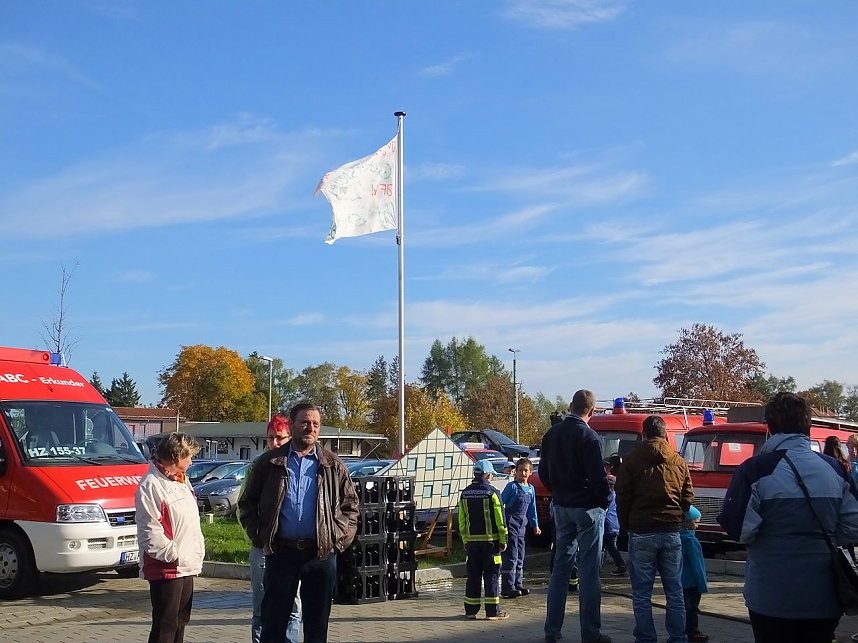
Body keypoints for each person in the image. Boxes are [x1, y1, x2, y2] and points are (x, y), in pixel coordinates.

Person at [718, 392, 858, 643]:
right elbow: (853, 525)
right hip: (824, 593)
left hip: (771, 592)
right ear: (808, 426)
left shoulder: (754, 470)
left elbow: (739, 530)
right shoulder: (835, 469)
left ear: (769, 427)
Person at [237, 402, 359, 643]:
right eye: (304, 422)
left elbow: (351, 507)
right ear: (292, 425)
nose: (310, 428)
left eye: (315, 424)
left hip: (320, 556)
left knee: (316, 628)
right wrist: (260, 536)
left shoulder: (333, 465)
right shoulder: (268, 463)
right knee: (273, 625)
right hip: (281, 554)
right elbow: (247, 504)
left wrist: (337, 539)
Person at [540, 389, 611, 643]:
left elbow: (544, 473)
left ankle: (551, 630)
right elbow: (597, 478)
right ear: (591, 411)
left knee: (560, 569)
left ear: (570, 406)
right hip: (587, 508)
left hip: (562, 507)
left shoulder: (552, 434)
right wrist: (606, 499)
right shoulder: (589, 437)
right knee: (590, 572)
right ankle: (590, 633)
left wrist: (559, 491)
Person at [615, 414, 693, 643]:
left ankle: (646, 638)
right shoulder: (678, 461)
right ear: (664, 433)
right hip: (671, 530)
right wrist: (678, 514)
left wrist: (626, 524)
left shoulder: (631, 460)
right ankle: (678, 637)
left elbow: (622, 496)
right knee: (674, 591)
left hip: (641, 530)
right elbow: (688, 495)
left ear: (644, 433)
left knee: (641, 592)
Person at [135, 432, 205, 643]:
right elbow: (149, 530)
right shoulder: (151, 485)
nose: (192, 461)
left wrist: (194, 551)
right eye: (189, 456)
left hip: (186, 564)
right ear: (176, 456)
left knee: (181, 620)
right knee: (165, 625)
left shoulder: (182, 481)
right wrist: (173, 555)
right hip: (167, 567)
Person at [240, 414, 302, 643]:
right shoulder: (259, 465)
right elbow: (245, 504)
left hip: (293, 547)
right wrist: (258, 536)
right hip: (264, 547)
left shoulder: (300, 464)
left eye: (280, 438)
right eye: (270, 438)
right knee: (261, 606)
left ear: (290, 437)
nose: (275, 443)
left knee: (293, 606)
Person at [458, 459, 509, 620]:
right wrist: (503, 539)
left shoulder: (465, 493)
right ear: (487, 475)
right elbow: (500, 519)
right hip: (491, 543)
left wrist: (465, 539)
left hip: (472, 544)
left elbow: (462, 519)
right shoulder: (493, 493)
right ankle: (493, 611)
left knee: (473, 575)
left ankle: (470, 611)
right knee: (492, 575)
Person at [500, 457, 541, 598]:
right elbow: (500, 504)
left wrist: (535, 525)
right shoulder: (512, 487)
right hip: (511, 525)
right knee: (511, 556)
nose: (523, 473)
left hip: (522, 527)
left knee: (520, 556)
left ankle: (518, 584)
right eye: (520, 470)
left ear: (530, 472)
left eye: (526, 470)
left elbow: (532, 508)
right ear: (515, 472)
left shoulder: (531, 489)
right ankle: (507, 586)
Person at [680, 506, 709, 643]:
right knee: (692, 608)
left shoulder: (678, 538)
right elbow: (697, 565)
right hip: (692, 582)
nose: (697, 525)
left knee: (682, 607)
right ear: (687, 522)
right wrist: (702, 584)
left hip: (680, 581)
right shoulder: (691, 541)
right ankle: (693, 632)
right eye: (696, 522)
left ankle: (681, 630)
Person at [602, 475, 626, 576]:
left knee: (603, 547)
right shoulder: (617, 495)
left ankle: (620, 565)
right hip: (615, 525)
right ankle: (620, 565)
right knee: (611, 546)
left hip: (607, 525)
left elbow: (604, 508)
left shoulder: (608, 495)